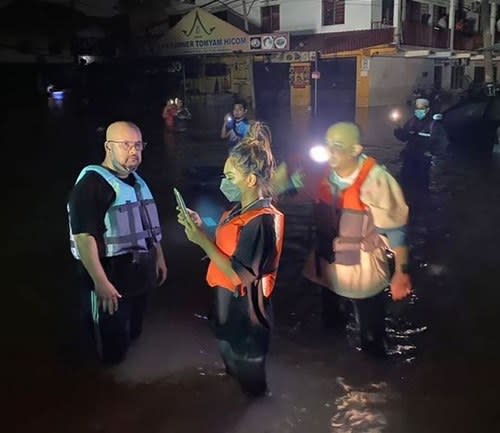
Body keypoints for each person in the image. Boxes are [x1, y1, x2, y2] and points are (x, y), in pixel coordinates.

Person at [177, 123, 284, 396]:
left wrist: (200, 241)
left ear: (250, 180)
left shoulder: (262, 222)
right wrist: (202, 228)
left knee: (252, 386)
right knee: (230, 366)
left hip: (247, 311)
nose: (224, 182)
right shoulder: (240, 209)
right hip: (226, 305)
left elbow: (240, 274)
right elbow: (228, 243)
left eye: (229, 176)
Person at [301, 122, 412, 357]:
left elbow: (396, 230)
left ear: (355, 150)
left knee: (372, 339)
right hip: (328, 265)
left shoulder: (376, 180)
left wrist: (401, 273)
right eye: (326, 144)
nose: (328, 151)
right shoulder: (319, 173)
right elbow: (289, 184)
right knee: (330, 326)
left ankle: (374, 380)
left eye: (336, 146)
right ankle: (333, 372)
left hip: (362, 269)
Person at [68, 121, 167, 365]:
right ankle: (105, 383)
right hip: (107, 274)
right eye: (126, 145)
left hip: (137, 274)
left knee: (134, 332)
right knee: (108, 342)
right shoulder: (91, 185)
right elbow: (83, 237)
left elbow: (147, 223)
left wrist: (158, 256)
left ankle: (128, 377)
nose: (134, 151)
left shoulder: (136, 181)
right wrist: (100, 282)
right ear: (108, 147)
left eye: (138, 145)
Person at [394, 98, 448, 194]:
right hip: (409, 157)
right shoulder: (411, 122)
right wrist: (398, 130)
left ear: (427, 109)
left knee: (421, 184)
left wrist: (431, 152)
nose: (418, 111)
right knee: (406, 182)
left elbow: (442, 142)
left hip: (423, 159)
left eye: (421, 108)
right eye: (417, 108)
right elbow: (404, 137)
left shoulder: (433, 125)